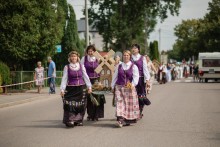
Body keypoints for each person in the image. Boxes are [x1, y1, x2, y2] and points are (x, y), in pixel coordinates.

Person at [60, 51, 92, 127]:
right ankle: (70, 120)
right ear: (70, 58)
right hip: (71, 88)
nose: (73, 58)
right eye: (72, 56)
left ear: (77, 57)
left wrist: (89, 87)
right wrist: (62, 89)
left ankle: (78, 120)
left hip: (81, 88)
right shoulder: (67, 67)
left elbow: (86, 77)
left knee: (81, 104)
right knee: (70, 104)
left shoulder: (81, 66)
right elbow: (64, 79)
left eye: (75, 56)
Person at [111, 50, 140, 127]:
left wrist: (132, 85)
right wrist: (112, 85)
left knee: (128, 104)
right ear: (122, 56)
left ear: (130, 56)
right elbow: (115, 76)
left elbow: (136, 78)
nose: (126, 56)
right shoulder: (119, 66)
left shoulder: (134, 66)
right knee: (119, 103)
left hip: (129, 88)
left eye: (127, 55)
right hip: (119, 87)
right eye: (124, 55)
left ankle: (127, 120)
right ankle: (120, 120)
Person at [81, 45, 104, 121]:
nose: (90, 52)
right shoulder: (84, 59)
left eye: (92, 51)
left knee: (97, 98)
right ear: (87, 52)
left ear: (94, 52)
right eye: (89, 51)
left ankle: (97, 115)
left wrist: (101, 81)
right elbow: (80, 69)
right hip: (87, 81)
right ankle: (90, 115)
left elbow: (102, 70)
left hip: (96, 80)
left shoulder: (98, 59)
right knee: (89, 98)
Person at [131, 44, 151, 119]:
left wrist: (147, 80)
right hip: (132, 80)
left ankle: (140, 112)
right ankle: (133, 112)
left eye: (135, 48)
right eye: (132, 48)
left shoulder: (142, 58)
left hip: (140, 80)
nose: (133, 49)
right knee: (133, 96)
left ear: (138, 50)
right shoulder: (130, 58)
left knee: (141, 97)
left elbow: (145, 69)